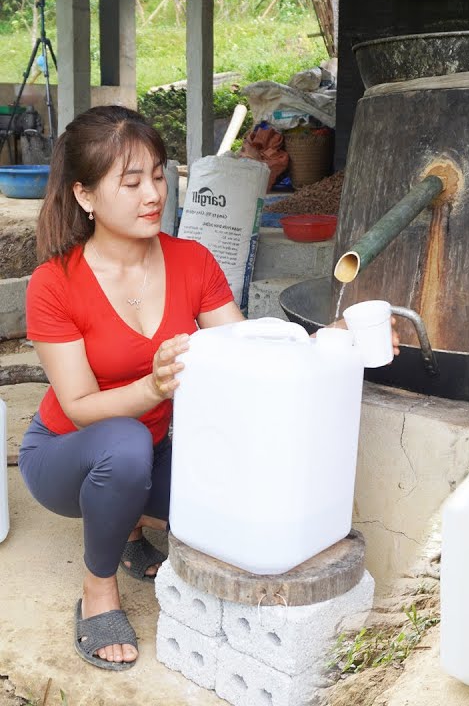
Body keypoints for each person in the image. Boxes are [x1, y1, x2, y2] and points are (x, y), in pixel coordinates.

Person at [20, 106, 394, 671]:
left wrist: (329, 340)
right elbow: (80, 407)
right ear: (85, 194)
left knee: (235, 492)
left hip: (154, 450)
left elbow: (248, 355)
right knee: (124, 446)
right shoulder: (54, 283)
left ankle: (130, 526)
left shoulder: (191, 260)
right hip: (68, 453)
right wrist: (154, 386)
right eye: (131, 182)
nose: (154, 194)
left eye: (158, 176)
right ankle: (98, 589)